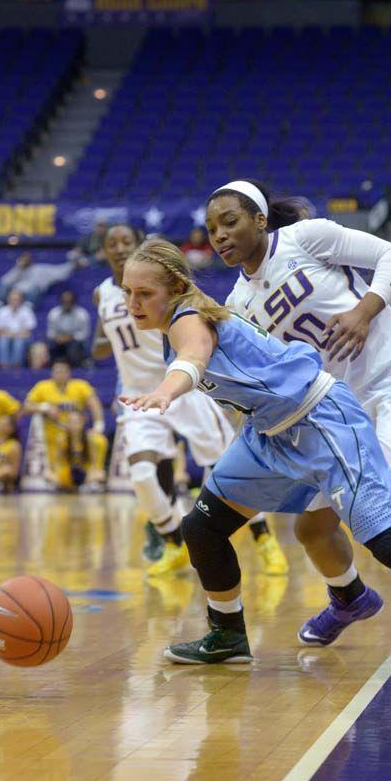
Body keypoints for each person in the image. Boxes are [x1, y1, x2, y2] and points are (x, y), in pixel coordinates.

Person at [119, 236, 391, 686]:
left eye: (144, 293)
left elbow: (193, 358)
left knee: (389, 542)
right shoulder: (200, 315)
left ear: (175, 290)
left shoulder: (189, 320)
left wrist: (165, 392)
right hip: (269, 433)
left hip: (322, 421)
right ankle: (227, 635)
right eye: (128, 292)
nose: (133, 302)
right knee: (202, 527)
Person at [207, 180, 391, 658]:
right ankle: (349, 598)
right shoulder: (237, 306)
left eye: (230, 222)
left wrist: (364, 312)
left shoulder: (306, 237)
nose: (220, 236)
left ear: (260, 220)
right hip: (339, 414)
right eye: (211, 231)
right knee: (311, 530)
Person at [92, 223, 287, 577]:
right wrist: (117, 337)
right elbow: (98, 343)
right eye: (112, 243)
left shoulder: (168, 294)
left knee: (226, 468)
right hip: (139, 394)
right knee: (140, 475)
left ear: (140, 248)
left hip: (181, 386)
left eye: (126, 241)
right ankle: (173, 541)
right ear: (104, 251)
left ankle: (263, 537)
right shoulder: (102, 295)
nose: (119, 248)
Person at [23, 359, 108, 491]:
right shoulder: (42, 387)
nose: (60, 374)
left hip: (79, 435)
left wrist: (98, 426)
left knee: (99, 441)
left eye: (63, 371)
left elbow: (94, 404)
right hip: (54, 437)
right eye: (57, 371)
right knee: (54, 472)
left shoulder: (80, 386)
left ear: (69, 373)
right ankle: (66, 482)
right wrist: (44, 407)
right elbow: (27, 406)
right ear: (52, 373)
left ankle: (91, 480)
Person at [0, 251, 81, 306]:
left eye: (28, 258)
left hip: (30, 294)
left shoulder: (40, 269)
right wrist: (18, 268)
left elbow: (59, 271)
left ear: (31, 260)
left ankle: (28, 306)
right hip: (15, 294)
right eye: (24, 258)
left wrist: (72, 265)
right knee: (4, 285)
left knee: (35, 288)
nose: (26, 260)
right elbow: (5, 282)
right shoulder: (16, 270)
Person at [46, 290, 91, 367]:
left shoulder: (82, 314)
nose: (67, 304)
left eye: (69, 302)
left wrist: (70, 337)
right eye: (64, 301)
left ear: (74, 302)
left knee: (74, 348)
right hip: (58, 341)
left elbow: (84, 334)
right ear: (60, 301)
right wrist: (57, 337)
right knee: (50, 346)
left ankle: (76, 369)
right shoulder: (53, 313)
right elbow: (50, 333)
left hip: (75, 342)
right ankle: (52, 368)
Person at [0, 290, 36, 368]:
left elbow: (29, 330)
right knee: (2, 340)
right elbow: (0, 330)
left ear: (21, 300)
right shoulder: (2, 311)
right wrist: (11, 334)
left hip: (23, 336)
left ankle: (16, 365)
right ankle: (4, 365)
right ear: (8, 300)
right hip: (6, 335)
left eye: (17, 299)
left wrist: (16, 335)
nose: (15, 301)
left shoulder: (27, 311)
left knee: (18, 342)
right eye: (13, 299)